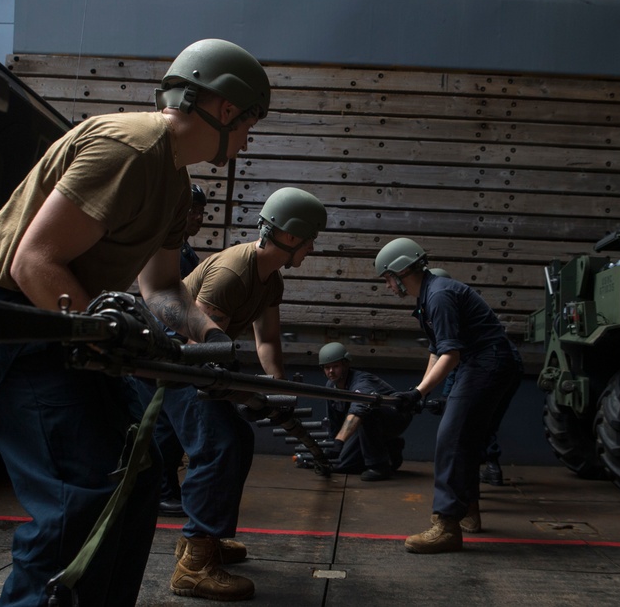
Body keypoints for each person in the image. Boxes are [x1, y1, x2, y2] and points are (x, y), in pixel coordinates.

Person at [0, 38, 271, 607]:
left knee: (136, 482)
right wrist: (108, 334)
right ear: (223, 109)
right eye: (251, 121)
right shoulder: (132, 148)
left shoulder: (171, 180)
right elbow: (33, 262)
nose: (249, 136)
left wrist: (213, 342)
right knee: (82, 495)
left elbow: (163, 287)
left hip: (65, 325)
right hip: (12, 321)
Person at [135, 186, 327, 601]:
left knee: (236, 439)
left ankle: (202, 539)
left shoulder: (269, 279)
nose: (312, 248)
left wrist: (276, 388)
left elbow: (269, 341)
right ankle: (194, 566)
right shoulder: (233, 272)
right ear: (291, 235)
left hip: (204, 358)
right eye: (311, 238)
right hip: (175, 359)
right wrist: (242, 388)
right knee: (218, 444)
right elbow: (198, 341)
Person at [375, 237, 523, 554]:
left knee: (452, 438)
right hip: (489, 361)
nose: (388, 286)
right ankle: (467, 510)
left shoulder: (439, 296)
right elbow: (436, 351)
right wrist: (420, 391)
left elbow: (451, 355)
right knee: (465, 438)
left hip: (486, 362)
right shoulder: (428, 298)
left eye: (387, 278)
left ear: (401, 271)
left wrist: (417, 393)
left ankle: (446, 525)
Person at [429, 268, 516, 488]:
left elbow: (455, 362)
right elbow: (438, 354)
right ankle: (481, 476)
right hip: (502, 364)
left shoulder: (444, 302)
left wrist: (444, 396)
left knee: (472, 423)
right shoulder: (449, 303)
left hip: (495, 366)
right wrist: (421, 390)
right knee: (480, 423)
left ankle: (470, 482)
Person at [156, 182, 210, 517]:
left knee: (167, 426)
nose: (197, 217)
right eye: (191, 209)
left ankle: (163, 489)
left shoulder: (185, 251)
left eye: (201, 211)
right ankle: (162, 490)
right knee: (172, 425)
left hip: (176, 342)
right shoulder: (170, 247)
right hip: (170, 342)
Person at [318, 341, 412, 481]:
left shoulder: (361, 382)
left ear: (345, 364)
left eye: (335, 366)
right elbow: (335, 422)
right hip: (364, 424)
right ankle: (389, 450)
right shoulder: (331, 386)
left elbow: (360, 409)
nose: (331, 371)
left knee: (368, 409)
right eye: (327, 367)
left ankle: (380, 466)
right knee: (341, 464)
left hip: (394, 418)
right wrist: (332, 447)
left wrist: (339, 441)